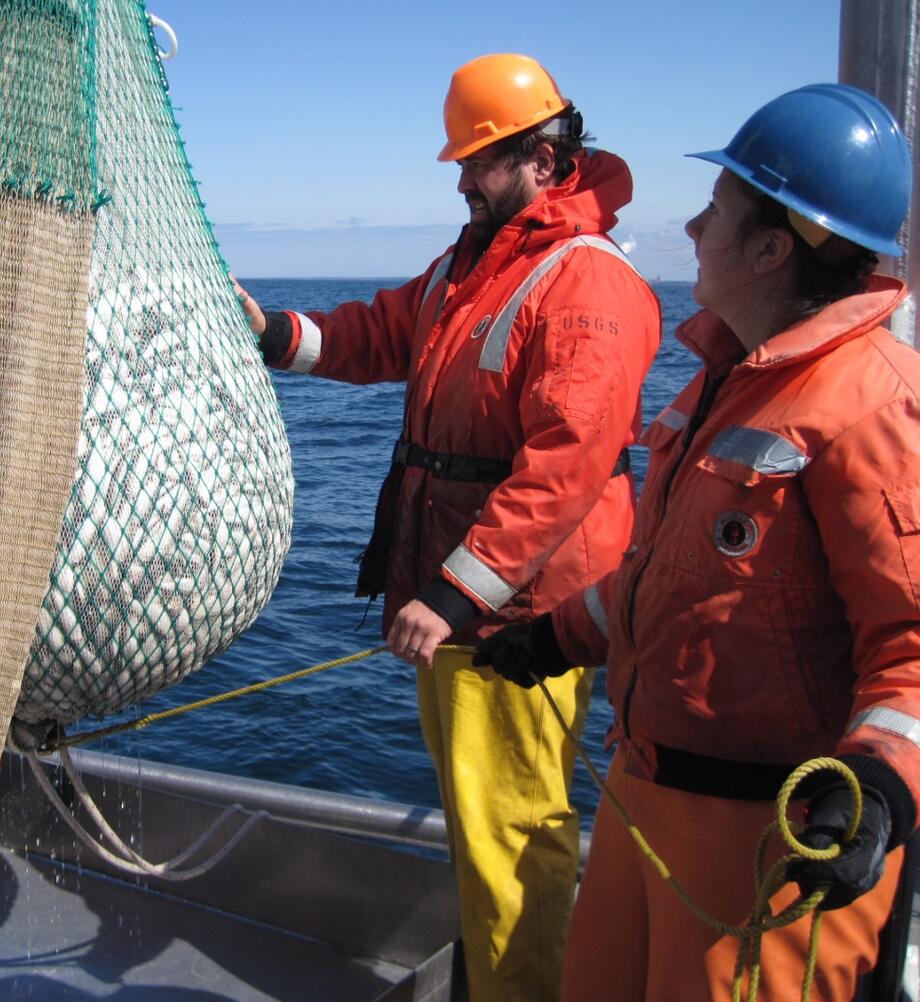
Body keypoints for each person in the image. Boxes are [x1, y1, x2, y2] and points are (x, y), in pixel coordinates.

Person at [480, 82, 920, 1001]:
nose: (689, 228)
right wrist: (555, 637)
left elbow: (911, 646)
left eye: (715, 210)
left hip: (769, 840)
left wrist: (878, 786)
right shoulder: (727, 379)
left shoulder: (873, 405)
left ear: (770, 248)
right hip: (647, 798)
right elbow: (674, 577)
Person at [236, 53, 661, 1001]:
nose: (463, 180)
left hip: (516, 621)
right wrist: (277, 333)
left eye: (482, 161)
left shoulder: (584, 283)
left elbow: (565, 467)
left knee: (511, 835)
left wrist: (454, 592)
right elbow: (381, 333)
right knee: (486, 823)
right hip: (463, 604)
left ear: (546, 161)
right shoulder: (473, 267)